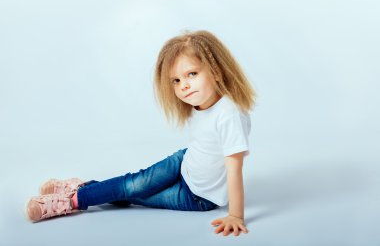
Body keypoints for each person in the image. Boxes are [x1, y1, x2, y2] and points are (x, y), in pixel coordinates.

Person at [25, 30, 256, 237]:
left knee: (135, 195)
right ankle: (82, 188)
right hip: (184, 162)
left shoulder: (229, 115)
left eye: (192, 74)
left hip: (198, 196)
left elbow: (234, 169)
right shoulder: (201, 103)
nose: (183, 85)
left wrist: (235, 215)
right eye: (176, 80)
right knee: (133, 183)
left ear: (216, 71)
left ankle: (71, 200)